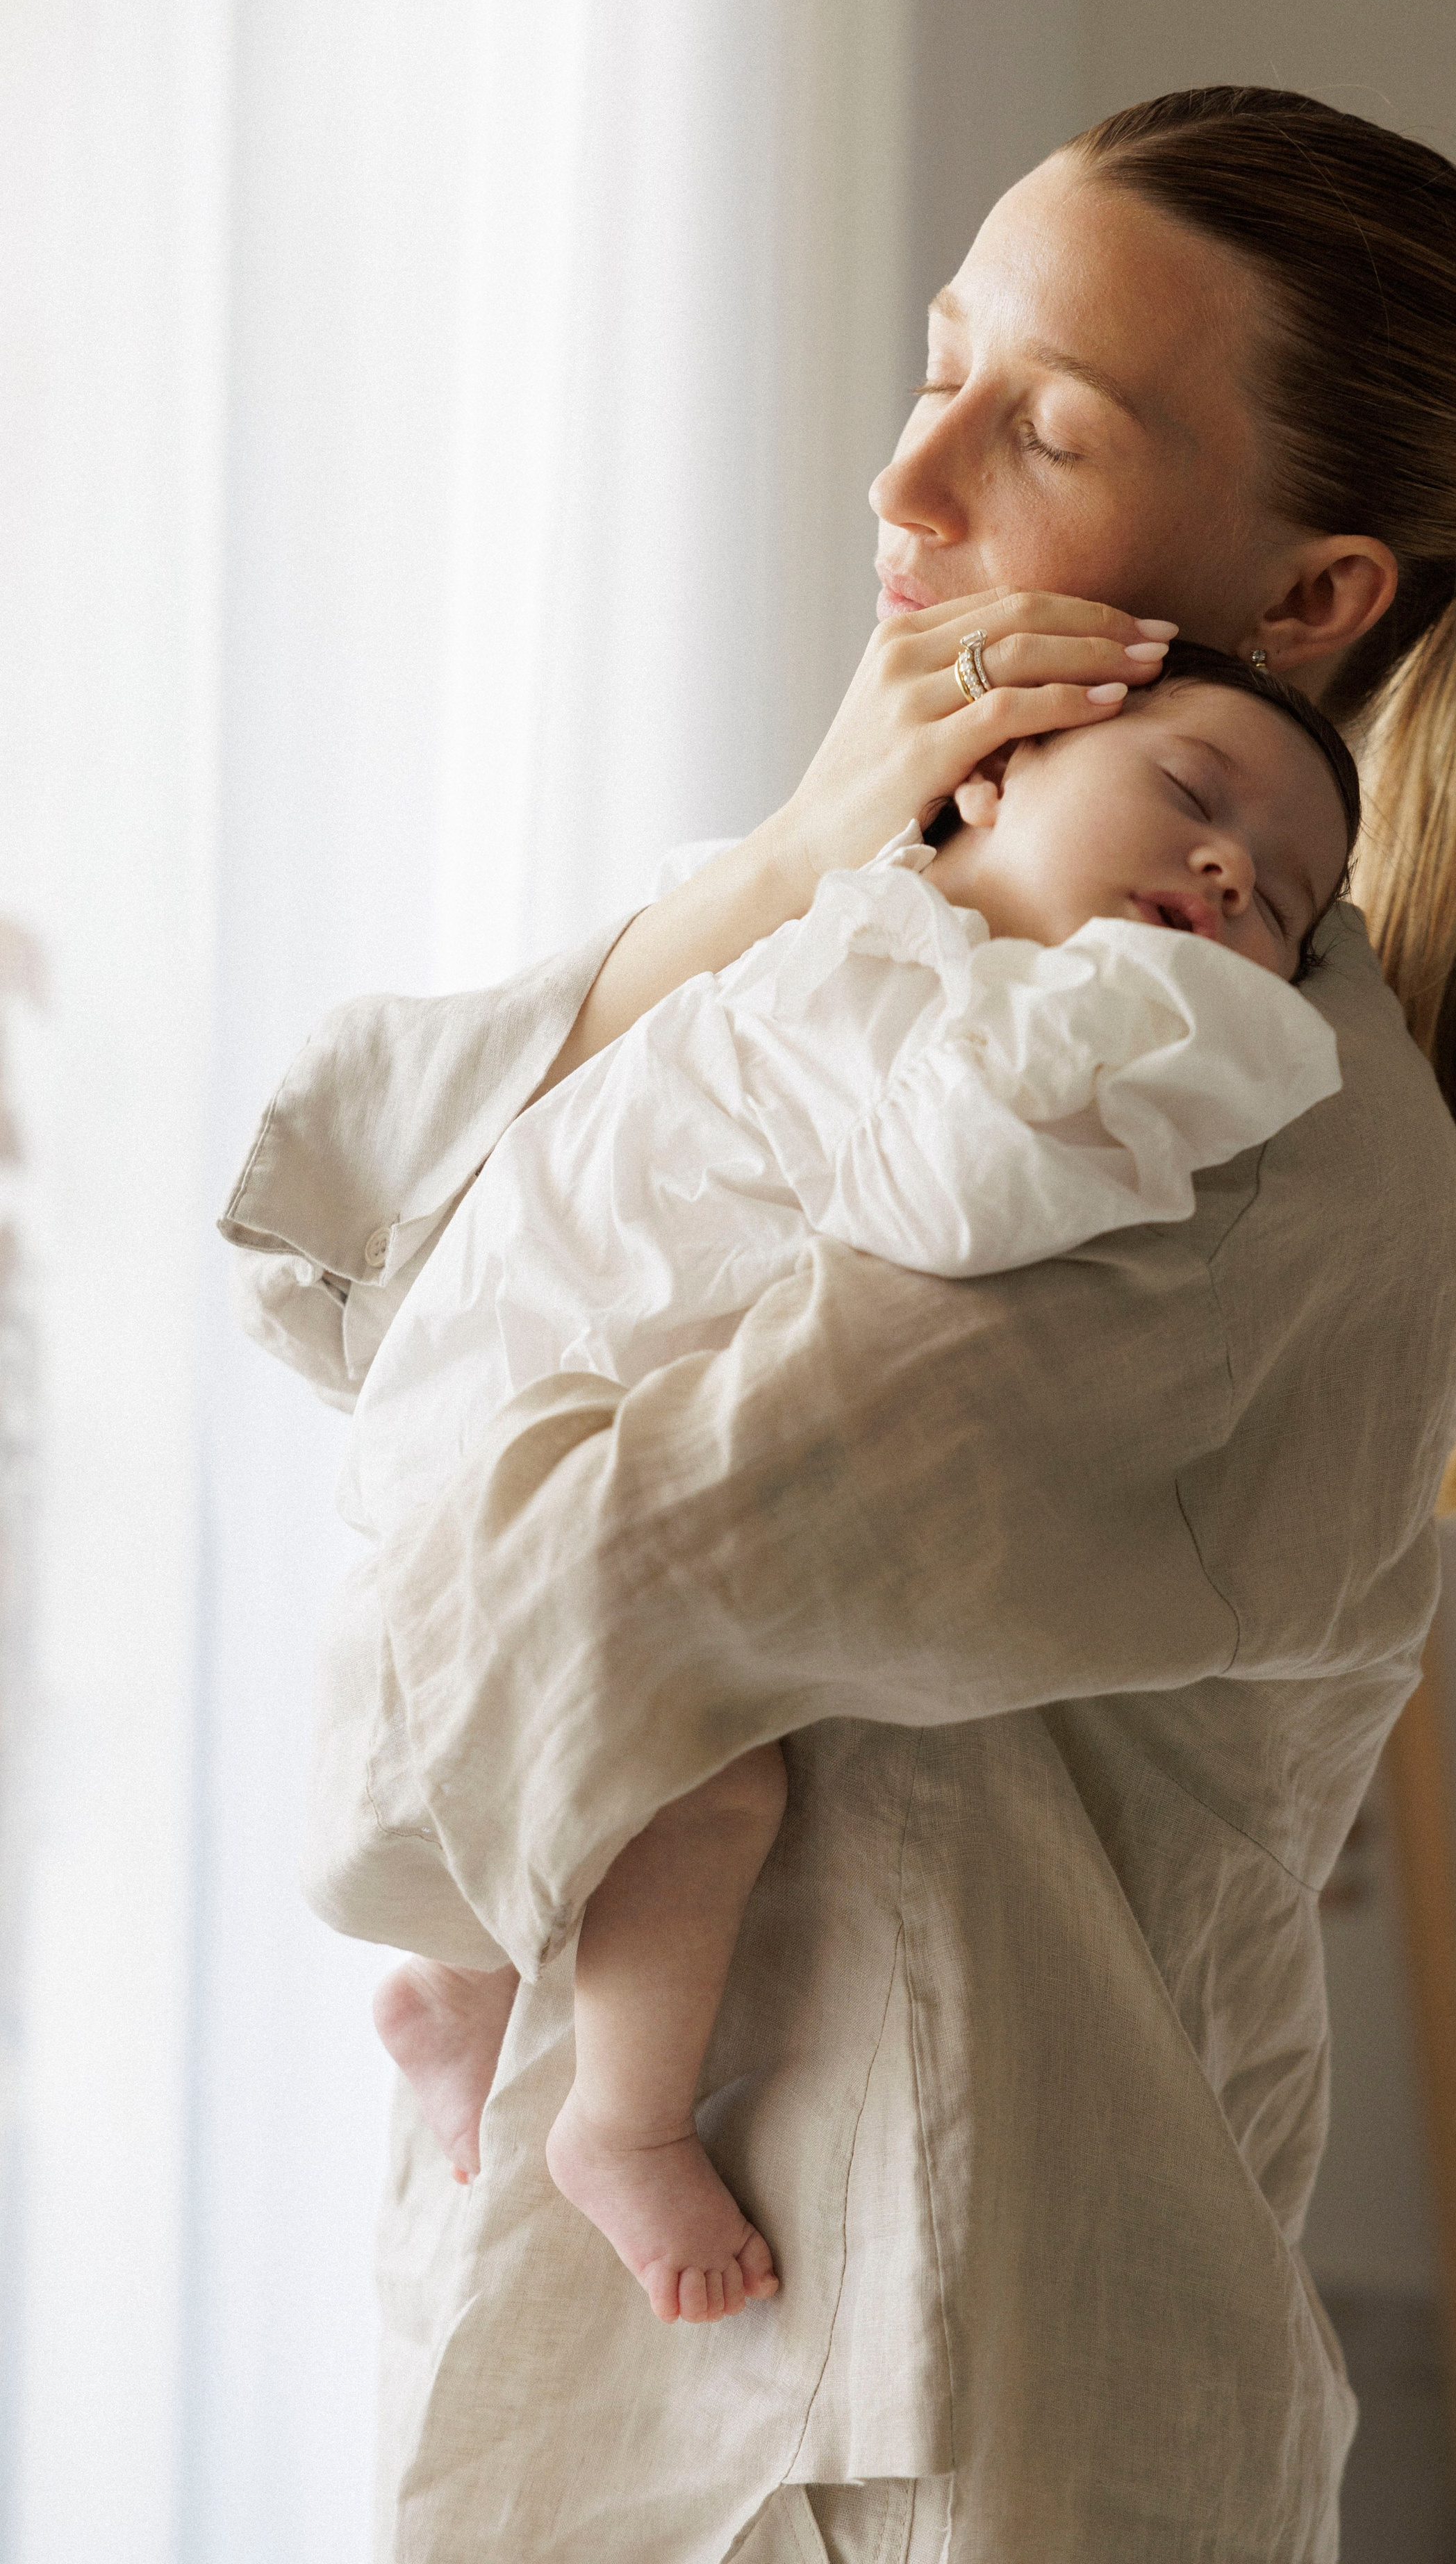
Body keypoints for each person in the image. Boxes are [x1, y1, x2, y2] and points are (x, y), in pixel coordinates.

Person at [220, 90, 1456, 2563]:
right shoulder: (872, 931)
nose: (911, 479)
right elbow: (331, 1248)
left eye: (1050, 424)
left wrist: (420, 1803)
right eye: (939, 360)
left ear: (1317, 599)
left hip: (938, 2406)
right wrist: (791, 860)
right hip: (646, 2364)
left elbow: (507, 1637)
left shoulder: (1218, 1122)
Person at [350, 650, 1356, 2328]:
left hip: (508, 1424)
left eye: (1286, 909)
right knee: (706, 1789)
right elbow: (950, 1196)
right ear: (991, 779)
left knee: (612, 1736)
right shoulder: (888, 967)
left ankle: (458, 1983)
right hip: (505, 1442)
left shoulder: (884, 943)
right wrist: (1213, 1023)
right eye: (1188, 799)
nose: (1228, 872)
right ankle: (621, 2120)